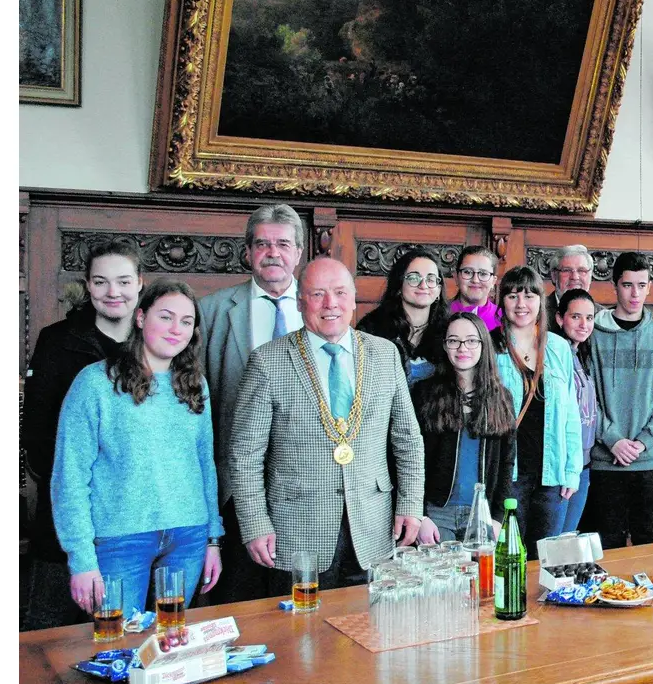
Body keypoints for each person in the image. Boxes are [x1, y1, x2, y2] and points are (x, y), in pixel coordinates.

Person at [227, 258, 436, 594]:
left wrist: (411, 505)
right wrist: (254, 522)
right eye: (317, 294)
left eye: (340, 292)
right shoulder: (267, 361)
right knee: (300, 639)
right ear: (299, 301)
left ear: (354, 299)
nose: (330, 304)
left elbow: (408, 440)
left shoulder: (385, 354)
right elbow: (245, 454)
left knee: (368, 632)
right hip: (295, 532)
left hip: (373, 529)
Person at [51, 279, 224, 617]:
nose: (176, 329)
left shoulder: (194, 384)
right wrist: (82, 559)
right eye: (166, 317)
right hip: (120, 539)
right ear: (141, 318)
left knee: (170, 644)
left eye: (186, 322)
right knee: (116, 647)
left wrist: (212, 539)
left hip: (188, 536)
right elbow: (69, 477)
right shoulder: (95, 382)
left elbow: (205, 464)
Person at [22, 236, 143, 630]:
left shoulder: (161, 342)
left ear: (140, 283)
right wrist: (78, 491)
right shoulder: (56, 341)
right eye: (101, 281)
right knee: (48, 640)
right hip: (67, 517)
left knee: (124, 636)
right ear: (88, 286)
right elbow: (37, 438)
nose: (113, 292)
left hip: (134, 516)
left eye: (124, 281)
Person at [197, 203, 306, 603]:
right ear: (248, 252)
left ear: (298, 252)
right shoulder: (211, 311)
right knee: (238, 601)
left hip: (304, 484)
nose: (272, 253)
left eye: (282, 244)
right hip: (233, 483)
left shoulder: (320, 308)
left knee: (297, 601)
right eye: (262, 244)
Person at [586, 252, 653, 549]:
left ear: (650, 287)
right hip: (606, 461)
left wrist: (641, 442)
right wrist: (613, 439)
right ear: (615, 286)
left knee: (650, 543)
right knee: (607, 545)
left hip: (650, 459)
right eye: (628, 285)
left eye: (642, 285)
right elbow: (585, 398)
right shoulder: (593, 335)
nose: (635, 293)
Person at [490, 265, 584, 551]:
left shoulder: (557, 346)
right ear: (501, 300)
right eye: (513, 296)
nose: (521, 304)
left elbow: (570, 413)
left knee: (546, 558)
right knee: (508, 557)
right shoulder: (491, 346)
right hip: (508, 475)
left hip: (551, 473)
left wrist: (572, 471)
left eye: (530, 296)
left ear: (540, 302)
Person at [412, 313, 515, 542]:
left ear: (483, 345)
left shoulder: (501, 398)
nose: (462, 348)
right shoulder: (424, 394)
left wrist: (498, 518)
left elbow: (507, 462)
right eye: (453, 340)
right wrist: (419, 515)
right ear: (445, 346)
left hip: (482, 515)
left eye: (471, 340)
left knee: (482, 578)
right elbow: (410, 459)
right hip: (437, 515)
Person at [356, 248, 447, 386]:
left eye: (431, 279)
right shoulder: (372, 329)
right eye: (413, 278)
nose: (423, 285)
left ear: (439, 290)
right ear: (399, 285)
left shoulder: (450, 330)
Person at [556, 288, 601, 533]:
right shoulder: (554, 354)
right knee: (554, 544)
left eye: (590, 318)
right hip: (563, 467)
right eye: (576, 317)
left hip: (584, 463)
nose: (584, 324)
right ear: (559, 318)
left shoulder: (581, 354)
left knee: (568, 540)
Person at [450, 244, 501, 331]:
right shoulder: (439, 314)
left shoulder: (503, 318)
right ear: (456, 277)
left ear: (493, 281)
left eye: (483, 274)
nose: (475, 280)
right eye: (467, 272)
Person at [546, 244, 593, 327]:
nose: (574, 277)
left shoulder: (601, 316)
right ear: (554, 276)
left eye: (581, 270)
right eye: (566, 270)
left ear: (590, 275)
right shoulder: (537, 311)